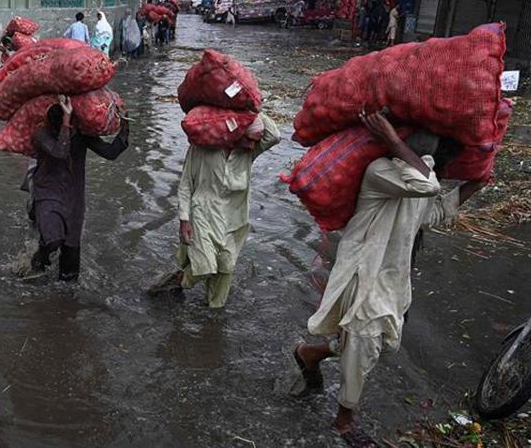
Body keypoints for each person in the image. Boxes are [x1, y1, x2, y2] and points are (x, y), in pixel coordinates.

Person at [292, 112, 485, 448]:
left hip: (393, 275)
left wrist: (474, 185)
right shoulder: (381, 171)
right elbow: (427, 185)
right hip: (365, 272)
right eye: (421, 153)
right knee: (365, 341)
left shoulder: (414, 179)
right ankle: (344, 420)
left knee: (371, 342)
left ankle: (310, 354)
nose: (428, 159)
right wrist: (392, 141)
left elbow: (432, 212)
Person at [147, 114, 281, 308]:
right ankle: (174, 281)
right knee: (205, 267)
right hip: (203, 212)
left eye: (256, 141)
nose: (253, 145)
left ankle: (213, 315)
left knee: (226, 267)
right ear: (235, 134)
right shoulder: (203, 148)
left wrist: (253, 109)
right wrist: (184, 219)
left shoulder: (248, 153)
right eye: (249, 140)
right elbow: (185, 184)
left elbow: (274, 136)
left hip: (235, 215)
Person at [26, 95, 130, 282]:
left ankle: (66, 307)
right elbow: (60, 152)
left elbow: (110, 152)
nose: (70, 128)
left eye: (72, 122)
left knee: (70, 273)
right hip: (48, 192)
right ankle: (38, 258)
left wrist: (125, 124)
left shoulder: (81, 134)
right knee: (52, 240)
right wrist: (66, 121)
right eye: (66, 122)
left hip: (74, 198)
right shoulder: (40, 133)